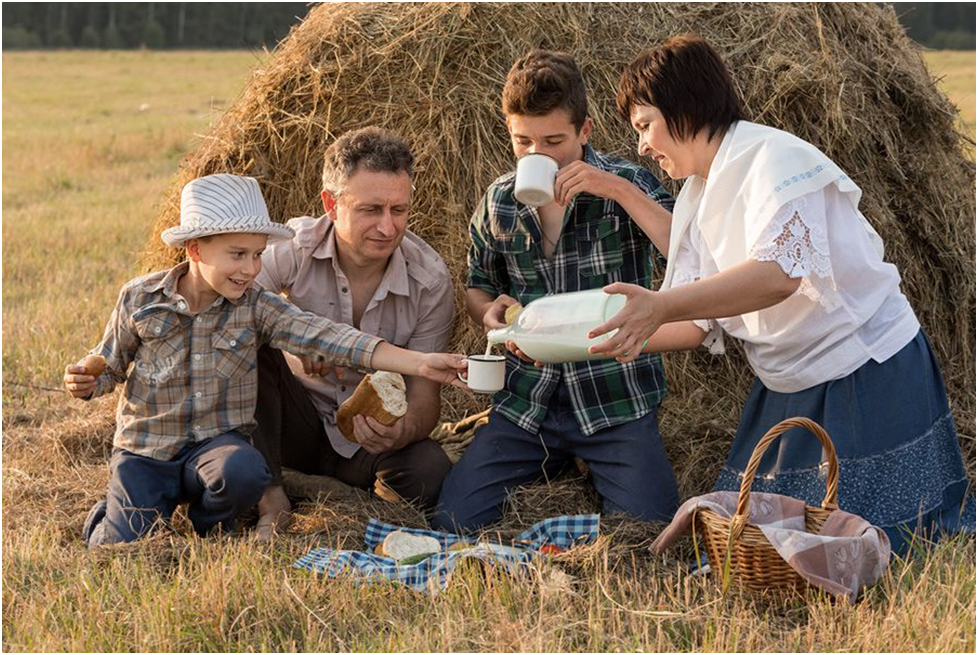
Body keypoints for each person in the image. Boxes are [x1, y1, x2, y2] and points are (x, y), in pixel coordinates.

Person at [595, 34, 975, 554]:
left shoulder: (772, 159)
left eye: (644, 126)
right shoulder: (696, 196)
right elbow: (695, 320)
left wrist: (660, 305)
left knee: (884, 541)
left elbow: (778, 275)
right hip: (787, 379)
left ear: (683, 105)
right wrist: (599, 339)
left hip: (863, 370)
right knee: (759, 541)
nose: (640, 146)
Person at [64, 173, 464, 547]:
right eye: (238, 255)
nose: (252, 269)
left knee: (243, 473)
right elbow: (109, 364)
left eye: (257, 255)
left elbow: (331, 337)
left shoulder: (256, 307)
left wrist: (419, 363)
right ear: (195, 249)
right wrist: (87, 381)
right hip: (147, 450)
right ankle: (116, 513)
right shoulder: (140, 298)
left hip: (213, 450)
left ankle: (211, 522)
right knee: (121, 543)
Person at [431, 49, 680, 533]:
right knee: (452, 521)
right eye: (523, 141)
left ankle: (594, 460)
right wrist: (490, 314)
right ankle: (557, 459)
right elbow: (479, 288)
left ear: (585, 132)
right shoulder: (500, 200)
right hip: (527, 404)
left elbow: (690, 258)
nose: (537, 155)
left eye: (554, 141)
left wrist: (621, 193)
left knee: (650, 533)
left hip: (614, 400)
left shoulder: (625, 184)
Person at [250, 128, 456, 534]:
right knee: (252, 350)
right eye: (371, 210)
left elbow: (424, 398)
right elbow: (230, 310)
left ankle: (310, 484)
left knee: (430, 469)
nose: (387, 226)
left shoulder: (430, 280)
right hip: (295, 423)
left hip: (366, 444)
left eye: (399, 210)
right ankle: (273, 495)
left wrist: (401, 432)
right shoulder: (293, 247)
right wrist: (293, 349)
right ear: (331, 204)